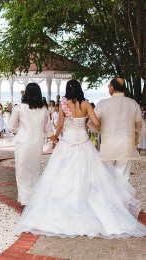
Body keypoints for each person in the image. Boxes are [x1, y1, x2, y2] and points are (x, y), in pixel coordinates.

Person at [15, 79, 146, 239]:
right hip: (83, 142)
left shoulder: (64, 104)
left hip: (67, 143)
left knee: (60, 176)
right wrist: (97, 129)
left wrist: (55, 138)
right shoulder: (85, 104)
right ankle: (110, 207)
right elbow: (96, 122)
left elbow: (61, 125)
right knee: (91, 177)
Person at [88, 77, 145, 180]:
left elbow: (91, 122)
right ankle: (122, 195)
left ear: (112, 88)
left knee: (107, 176)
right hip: (126, 143)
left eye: (109, 86)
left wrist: (100, 130)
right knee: (123, 176)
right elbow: (139, 126)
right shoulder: (133, 103)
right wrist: (136, 140)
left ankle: (109, 195)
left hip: (109, 142)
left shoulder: (103, 103)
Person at [9, 83, 54, 206]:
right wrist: (55, 140)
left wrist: (17, 133)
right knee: (34, 171)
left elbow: (12, 127)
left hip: (23, 142)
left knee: (22, 171)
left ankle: (25, 199)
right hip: (37, 143)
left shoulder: (19, 108)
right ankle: (34, 198)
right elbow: (48, 129)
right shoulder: (44, 110)